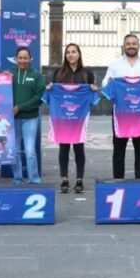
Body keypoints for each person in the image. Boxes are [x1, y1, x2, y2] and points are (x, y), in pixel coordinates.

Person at [102, 33, 140, 179]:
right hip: (121, 114)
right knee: (119, 149)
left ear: (138, 45)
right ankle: (118, 180)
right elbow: (104, 85)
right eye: (128, 43)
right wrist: (111, 82)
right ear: (124, 45)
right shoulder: (115, 65)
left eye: (134, 43)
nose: (131, 46)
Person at [48, 43, 97, 194]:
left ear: (79, 54)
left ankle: (79, 180)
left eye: (73, 52)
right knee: (63, 147)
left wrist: (94, 89)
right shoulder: (58, 73)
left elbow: (92, 94)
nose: (71, 55)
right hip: (62, 116)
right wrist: (49, 88)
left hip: (79, 117)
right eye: (68, 52)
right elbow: (53, 91)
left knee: (78, 148)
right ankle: (64, 179)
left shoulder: (87, 74)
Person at [10, 46, 46, 185]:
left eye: (25, 58)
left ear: (30, 59)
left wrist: (20, 107)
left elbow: (39, 97)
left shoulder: (36, 76)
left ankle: (34, 180)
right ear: (16, 59)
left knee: (30, 151)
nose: (22, 60)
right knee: (15, 150)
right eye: (20, 58)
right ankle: (17, 179)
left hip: (30, 118)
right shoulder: (9, 74)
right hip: (12, 119)